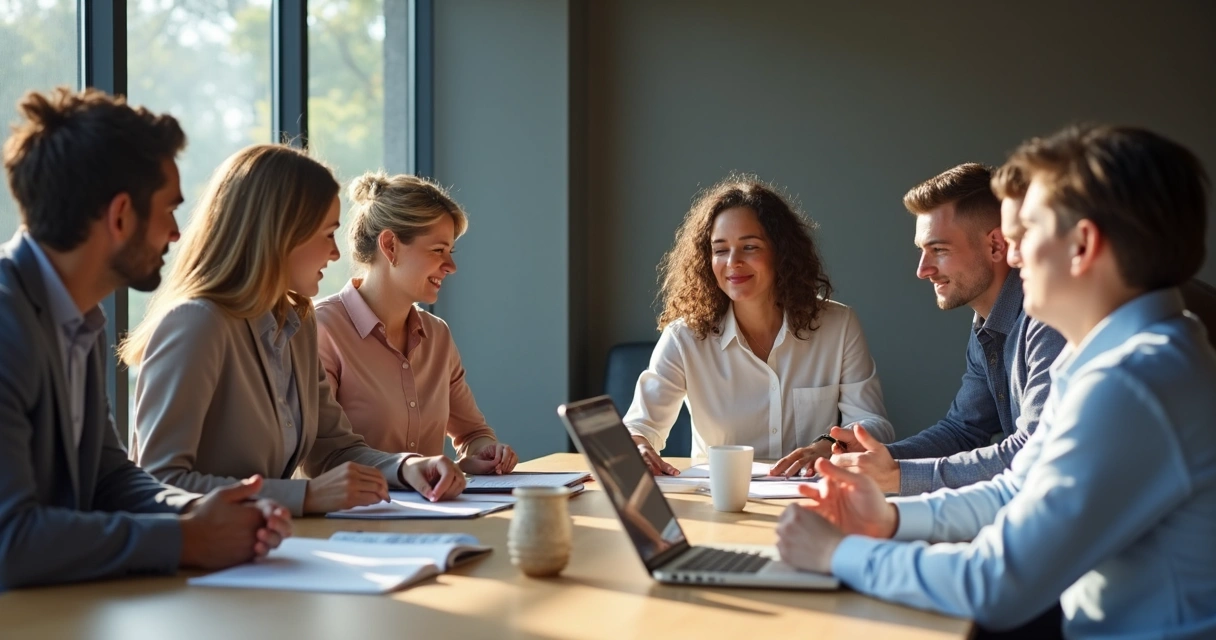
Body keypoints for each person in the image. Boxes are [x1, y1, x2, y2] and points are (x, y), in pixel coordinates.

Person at [776, 125, 1216, 638]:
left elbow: (996, 586)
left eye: (1026, 233)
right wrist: (889, 523)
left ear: (1082, 246)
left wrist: (839, 553)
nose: (1011, 255)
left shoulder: (1134, 382)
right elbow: (1017, 488)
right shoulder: (1106, 356)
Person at [0, 88, 290, 589]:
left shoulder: (79, 315)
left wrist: (204, 511)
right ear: (119, 216)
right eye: (169, 210)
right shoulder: (7, 323)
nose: (176, 234)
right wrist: (187, 541)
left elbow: (109, 477)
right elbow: (9, 538)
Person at [122, 144, 466, 517]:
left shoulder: (297, 324)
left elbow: (335, 448)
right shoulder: (197, 324)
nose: (335, 254)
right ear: (281, 233)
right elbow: (159, 481)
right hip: (205, 564)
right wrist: (305, 496)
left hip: (267, 550)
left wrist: (405, 467)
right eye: (327, 233)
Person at [623, 175, 893, 476]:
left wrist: (828, 446)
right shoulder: (684, 337)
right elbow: (638, 427)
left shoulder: (839, 326)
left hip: (811, 498)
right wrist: (639, 446)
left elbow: (874, 424)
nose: (733, 262)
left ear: (781, 252)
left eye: (750, 247)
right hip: (720, 505)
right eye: (720, 249)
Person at [827, 164, 1065, 495]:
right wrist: (877, 459)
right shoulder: (987, 323)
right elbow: (962, 431)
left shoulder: (1049, 319)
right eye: (922, 251)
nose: (923, 270)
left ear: (996, 246)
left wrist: (897, 475)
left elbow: (1033, 453)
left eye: (939, 250)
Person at [314, 172, 517, 474]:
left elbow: (473, 433)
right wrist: (410, 471)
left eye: (450, 251)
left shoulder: (437, 334)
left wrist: (486, 452)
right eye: (438, 250)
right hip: (351, 518)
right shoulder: (320, 329)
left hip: (430, 515)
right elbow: (321, 453)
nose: (451, 266)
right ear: (390, 246)